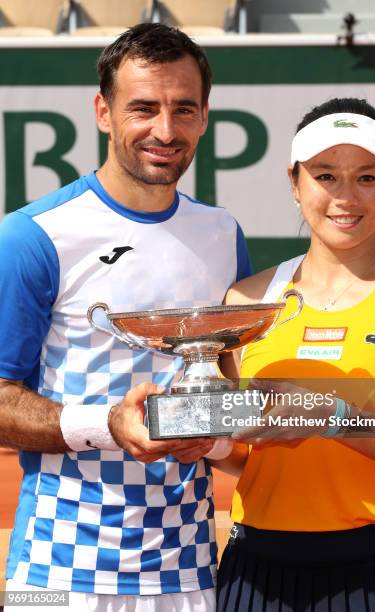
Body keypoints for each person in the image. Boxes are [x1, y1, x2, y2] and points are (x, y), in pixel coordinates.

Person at [0, 23, 251, 611]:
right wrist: (106, 424)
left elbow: (230, 388)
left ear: (205, 117)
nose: (165, 131)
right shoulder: (32, 235)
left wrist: (216, 432)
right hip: (55, 578)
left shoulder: (222, 234)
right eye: (143, 108)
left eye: (183, 109)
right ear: (103, 112)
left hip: (187, 575)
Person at [214, 98, 375, 611]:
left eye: (367, 177)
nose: (346, 197)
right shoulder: (244, 301)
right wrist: (200, 438)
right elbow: (242, 451)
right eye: (326, 175)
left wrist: (331, 415)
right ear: (294, 181)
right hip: (259, 567)